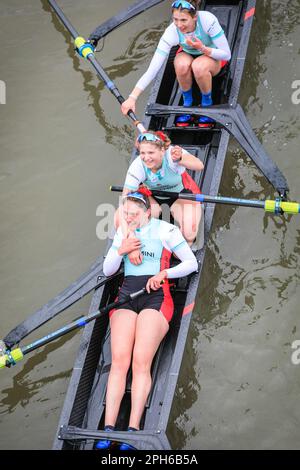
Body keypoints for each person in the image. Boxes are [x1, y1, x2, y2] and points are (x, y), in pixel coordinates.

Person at [98, 192, 198, 450]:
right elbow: (108, 271)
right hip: (126, 297)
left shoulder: (165, 231)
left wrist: (165, 272)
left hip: (156, 299)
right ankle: (107, 431)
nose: (129, 218)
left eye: (133, 215)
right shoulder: (123, 233)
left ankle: (133, 431)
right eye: (125, 214)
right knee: (120, 361)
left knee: (141, 362)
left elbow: (191, 263)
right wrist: (121, 250)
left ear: (146, 213)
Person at [121, 0, 231, 127]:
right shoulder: (171, 32)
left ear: (195, 17)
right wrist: (132, 98)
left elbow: (226, 54)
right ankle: (187, 104)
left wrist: (203, 48)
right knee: (180, 64)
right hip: (188, 53)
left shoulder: (208, 20)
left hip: (213, 56)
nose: (179, 25)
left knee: (199, 67)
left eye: (183, 20)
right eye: (175, 19)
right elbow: (152, 70)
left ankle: (207, 104)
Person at [115, 131, 203, 249]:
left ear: (162, 150)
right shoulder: (137, 166)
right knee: (119, 221)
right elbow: (124, 201)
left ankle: (180, 251)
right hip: (152, 197)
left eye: (151, 152)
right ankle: (138, 245)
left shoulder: (172, 155)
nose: (146, 158)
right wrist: (128, 238)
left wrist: (181, 159)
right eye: (142, 153)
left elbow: (199, 165)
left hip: (179, 196)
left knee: (189, 232)